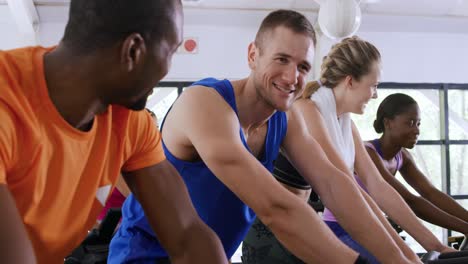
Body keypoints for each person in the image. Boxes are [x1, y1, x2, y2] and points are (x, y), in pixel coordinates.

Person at [110, 9, 420, 264]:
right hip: (144, 257)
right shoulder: (204, 104)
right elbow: (276, 209)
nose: (292, 77)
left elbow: (334, 183)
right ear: (253, 55)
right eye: (281, 59)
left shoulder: (285, 120)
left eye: (302, 66)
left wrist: (403, 260)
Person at [0, 0, 227, 263]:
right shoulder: (7, 102)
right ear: (132, 51)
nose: (168, 68)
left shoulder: (129, 122)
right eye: (170, 51)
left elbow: (187, 234)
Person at [289, 36, 454, 263]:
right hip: (280, 229)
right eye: (374, 86)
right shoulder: (308, 111)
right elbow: (347, 188)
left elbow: (377, 186)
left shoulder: (345, 122)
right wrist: (402, 254)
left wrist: (435, 245)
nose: (376, 94)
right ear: (350, 81)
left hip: (303, 222)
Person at [367, 93, 468, 238]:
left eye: (418, 123)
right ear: (388, 122)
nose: (417, 130)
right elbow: (409, 201)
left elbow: (430, 193)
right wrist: (465, 227)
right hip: (344, 228)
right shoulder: (368, 153)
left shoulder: (403, 156)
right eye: (410, 123)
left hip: (372, 227)